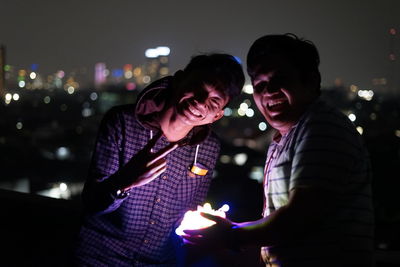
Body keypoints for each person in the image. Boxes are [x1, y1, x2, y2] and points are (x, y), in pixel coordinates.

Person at [183, 34, 374, 267]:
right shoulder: (285, 138)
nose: (269, 91)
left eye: (280, 79)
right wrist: (230, 230)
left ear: (311, 81)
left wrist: (231, 235)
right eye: (260, 85)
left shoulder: (322, 127)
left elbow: (300, 217)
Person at [74, 53, 245, 266]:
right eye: (198, 87)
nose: (200, 102)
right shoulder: (122, 123)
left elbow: (189, 213)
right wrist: (126, 180)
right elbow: (92, 203)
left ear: (217, 115)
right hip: (100, 257)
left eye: (214, 101)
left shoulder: (208, 148)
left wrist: (209, 224)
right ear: (179, 79)